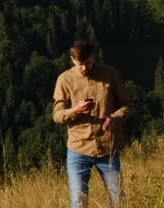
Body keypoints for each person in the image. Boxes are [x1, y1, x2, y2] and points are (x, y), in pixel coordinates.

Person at [51, 39, 130, 207]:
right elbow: (57, 115)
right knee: (79, 203)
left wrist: (115, 117)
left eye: (88, 63)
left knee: (119, 201)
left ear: (94, 57)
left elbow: (126, 105)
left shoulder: (110, 73)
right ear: (72, 59)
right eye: (80, 64)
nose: (84, 68)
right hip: (78, 149)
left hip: (108, 148)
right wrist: (75, 110)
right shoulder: (64, 80)